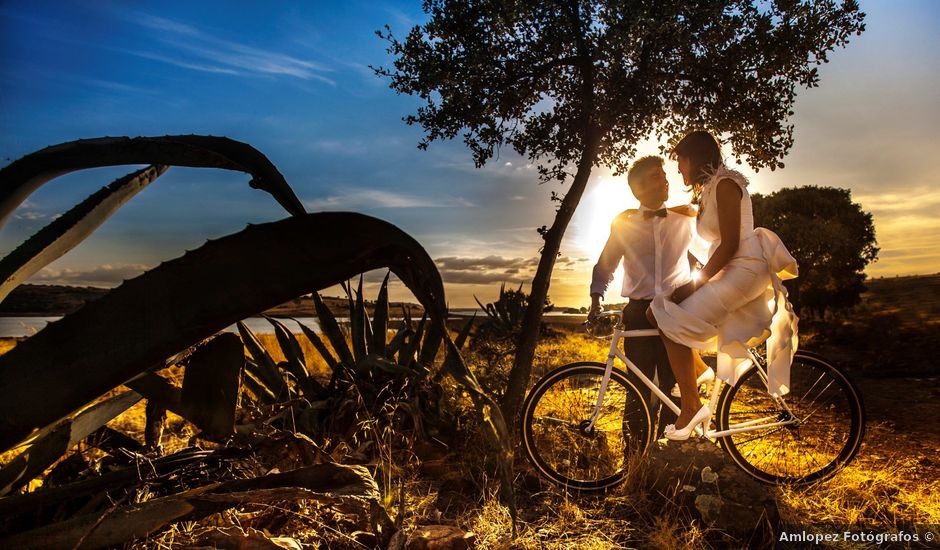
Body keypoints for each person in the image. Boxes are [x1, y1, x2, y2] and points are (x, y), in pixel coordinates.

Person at [647, 130, 799, 441]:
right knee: (657, 312)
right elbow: (693, 213)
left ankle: (691, 406)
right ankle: (701, 371)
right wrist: (649, 213)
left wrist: (696, 285)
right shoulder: (709, 190)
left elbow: (729, 244)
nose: (679, 169)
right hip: (731, 269)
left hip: (744, 270)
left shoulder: (727, 185)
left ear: (695, 158)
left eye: (681, 162)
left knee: (667, 315)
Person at [588, 155, 704, 438]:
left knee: (675, 386)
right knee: (636, 388)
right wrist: (596, 300)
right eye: (656, 176)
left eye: (665, 174)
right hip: (639, 313)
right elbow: (605, 266)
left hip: (677, 310)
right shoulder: (624, 225)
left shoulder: (684, 216)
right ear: (639, 189)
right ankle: (634, 458)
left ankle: (671, 452)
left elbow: (710, 238)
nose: (665, 179)